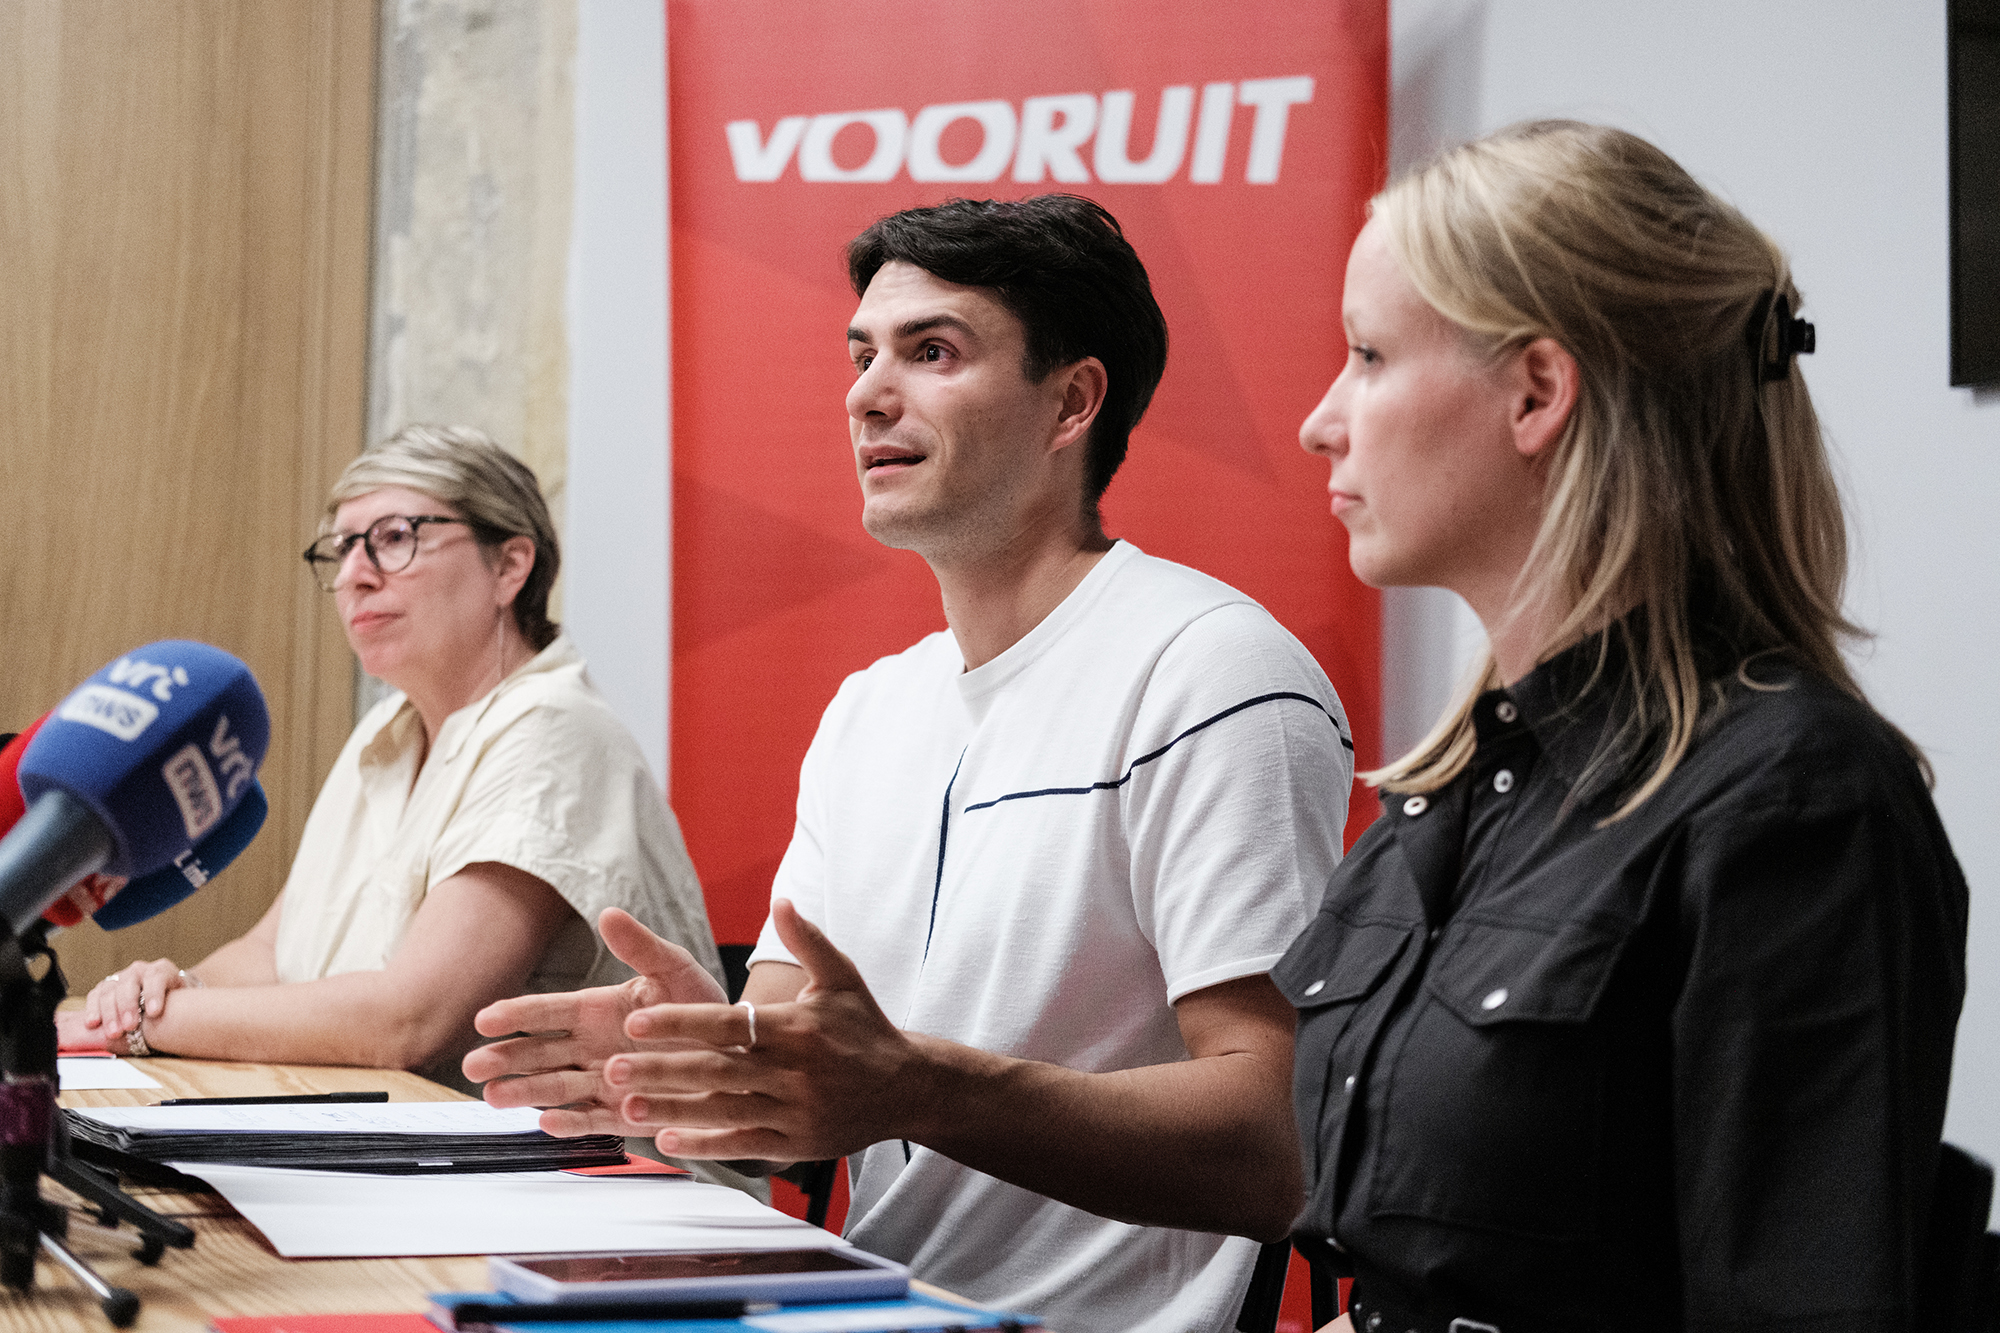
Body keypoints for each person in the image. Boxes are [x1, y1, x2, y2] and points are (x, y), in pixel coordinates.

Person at [464, 195, 1355, 1332]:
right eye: (861, 355)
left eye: (931, 352)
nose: (865, 394)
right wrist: (702, 1059)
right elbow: (797, 1078)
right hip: (855, 1303)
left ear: (1070, 401)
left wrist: (923, 1090)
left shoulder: (1212, 671)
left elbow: (1272, 1146)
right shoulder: (869, 711)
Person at [1281, 120, 1968, 1333]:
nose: (1321, 421)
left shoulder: (1793, 805)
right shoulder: (1456, 791)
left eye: (1368, 355)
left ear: (1535, 393)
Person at [59, 425, 722, 1094]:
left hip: (599, 1174)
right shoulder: (387, 728)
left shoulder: (556, 730)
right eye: (342, 548)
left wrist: (154, 1020)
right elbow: (269, 952)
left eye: (395, 537)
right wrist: (169, 984)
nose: (354, 574)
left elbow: (410, 1019)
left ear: (509, 566)